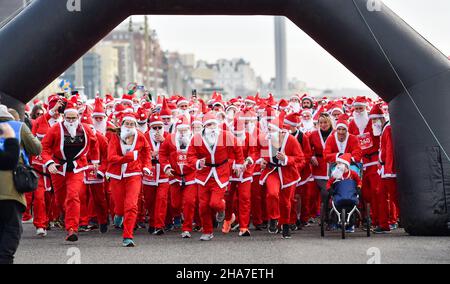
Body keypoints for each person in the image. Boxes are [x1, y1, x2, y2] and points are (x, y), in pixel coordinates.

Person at [41, 101, 99, 242]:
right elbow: (44, 148)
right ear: (64, 117)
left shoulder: (85, 129)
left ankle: (72, 229)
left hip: (77, 167)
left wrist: (95, 161)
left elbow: (94, 143)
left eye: (74, 118)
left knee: (73, 196)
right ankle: (64, 215)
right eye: (69, 118)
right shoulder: (55, 129)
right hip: (58, 168)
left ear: (78, 118)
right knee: (61, 200)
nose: (71, 121)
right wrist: (49, 163)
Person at [187, 112, 244, 241]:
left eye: (213, 124)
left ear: (217, 125)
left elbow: (237, 147)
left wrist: (239, 164)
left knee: (215, 202)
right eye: (208, 125)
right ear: (204, 127)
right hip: (204, 173)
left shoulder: (225, 135)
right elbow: (190, 155)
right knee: (203, 206)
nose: (212, 127)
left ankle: (222, 209)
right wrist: (197, 162)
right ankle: (207, 231)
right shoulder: (196, 138)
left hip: (221, 172)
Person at [106, 112, 151, 247]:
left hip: (134, 173)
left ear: (135, 125)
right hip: (116, 175)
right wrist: (129, 157)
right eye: (127, 123)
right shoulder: (115, 136)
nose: (129, 126)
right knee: (119, 206)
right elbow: (111, 157)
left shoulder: (140, 137)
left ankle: (128, 236)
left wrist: (147, 166)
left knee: (131, 205)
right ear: (122, 124)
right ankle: (118, 214)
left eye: (132, 124)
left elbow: (146, 152)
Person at [259, 117, 306, 239]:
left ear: (280, 130)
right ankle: (274, 218)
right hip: (272, 171)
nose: (269, 132)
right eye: (268, 129)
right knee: (272, 194)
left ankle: (285, 225)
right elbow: (263, 153)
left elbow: (300, 158)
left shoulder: (290, 140)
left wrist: (286, 159)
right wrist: (263, 161)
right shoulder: (267, 139)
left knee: (286, 202)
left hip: (287, 172)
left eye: (271, 129)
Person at [160, 116, 197, 238]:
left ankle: (186, 228)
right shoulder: (169, 139)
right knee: (175, 203)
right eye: (180, 129)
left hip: (190, 175)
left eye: (184, 129)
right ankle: (178, 215)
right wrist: (166, 167)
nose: (182, 132)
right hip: (175, 175)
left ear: (189, 129)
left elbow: (203, 154)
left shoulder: (195, 139)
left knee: (189, 202)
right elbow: (162, 153)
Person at [369, 104, 399, 234]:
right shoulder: (384, 129)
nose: (373, 123)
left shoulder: (387, 129)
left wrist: (388, 169)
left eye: (374, 120)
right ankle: (384, 223)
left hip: (388, 170)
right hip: (384, 168)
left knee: (394, 197)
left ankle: (393, 220)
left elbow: (390, 151)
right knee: (380, 194)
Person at [0, 123, 21, 264]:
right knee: (11, 229)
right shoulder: (18, 127)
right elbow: (9, 161)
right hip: (9, 192)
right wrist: (11, 139)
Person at [309, 113, 334, 212]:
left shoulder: (336, 133)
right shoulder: (313, 134)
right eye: (321, 123)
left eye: (325, 122)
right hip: (318, 167)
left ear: (330, 123)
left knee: (329, 191)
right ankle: (323, 213)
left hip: (333, 165)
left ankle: (330, 212)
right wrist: (312, 156)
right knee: (323, 191)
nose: (323, 125)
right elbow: (308, 148)